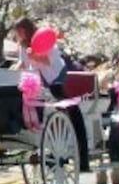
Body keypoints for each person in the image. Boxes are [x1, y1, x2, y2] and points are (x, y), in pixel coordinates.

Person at [13, 17, 89, 171]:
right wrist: (12, 71)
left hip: (56, 77)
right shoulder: (22, 45)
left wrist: (35, 56)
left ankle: (81, 151)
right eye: (18, 32)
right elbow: (23, 63)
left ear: (27, 29)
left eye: (21, 31)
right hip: (37, 80)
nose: (19, 35)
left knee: (68, 105)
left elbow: (51, 62)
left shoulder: (44, 39)